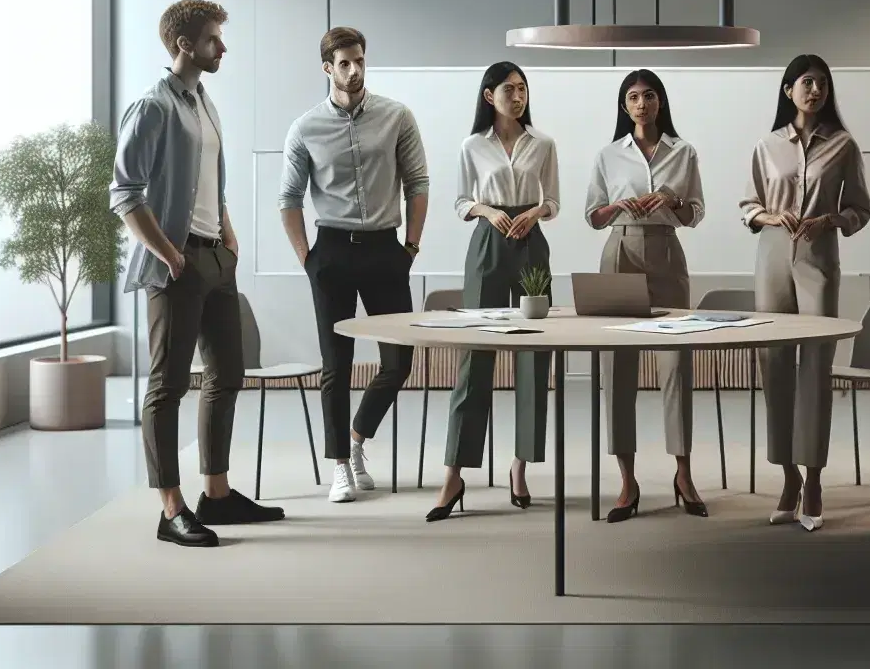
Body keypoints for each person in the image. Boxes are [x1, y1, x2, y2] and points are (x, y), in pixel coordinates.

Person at [111, 0, 283, 548]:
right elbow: (124, 192)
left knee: (226, 374)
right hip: (178, 263)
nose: (222, 48)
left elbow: (212, 180)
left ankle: (218, 494)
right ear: (185, 44)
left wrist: (228, 232)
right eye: (214, 40)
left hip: (216, 257)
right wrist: (168, 253)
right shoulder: (153, 106)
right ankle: (171, 509)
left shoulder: (205, 102)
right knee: (167, 386)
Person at [278, 26, 429, 504]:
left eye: (359, 60)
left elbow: (418, 183)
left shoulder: (396, 116)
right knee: (336, 366)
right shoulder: (305, 128)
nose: (354, 70)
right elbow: (289, 199)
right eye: (344, 63)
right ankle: (339, 466)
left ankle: (358, 439)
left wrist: (411, 246)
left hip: (387, 250)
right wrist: (309, 260)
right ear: (328, 67)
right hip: (332, 253)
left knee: (399, 361)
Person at [740, 55, 870, 533]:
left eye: (821, 83)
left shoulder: (843, 145)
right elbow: (747, 205)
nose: (814, 90)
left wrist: (830, 220)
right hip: (773, 255)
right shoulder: (767, 145)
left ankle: (814, 478)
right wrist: (770, 216)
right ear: (787, 89)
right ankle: (788, 478)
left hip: (818, 254)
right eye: (806, 83)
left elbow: (860, 209)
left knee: (815, 366)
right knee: (773, 363)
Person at [430, 62, 560, 522]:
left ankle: (519, 467)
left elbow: (555, 201)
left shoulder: (542, 143)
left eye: (523, 88)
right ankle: (455, 474)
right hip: (487, 242)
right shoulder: (473, 145)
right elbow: (461, 201)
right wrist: (487, 210)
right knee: (474, 359)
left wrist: (536, 212)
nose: (518, 95)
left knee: (533, 359)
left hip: (531, 243)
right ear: (490, 96)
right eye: (509, 89)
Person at [584, 69, 708, 522]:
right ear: (624, 106)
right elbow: (592, 217)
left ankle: (683, 473)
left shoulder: (684, 151)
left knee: (677, 364)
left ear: (660, 102)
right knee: (617, 366)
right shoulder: (608, 155)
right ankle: (627, 481)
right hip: (620, 250)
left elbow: (695, 214)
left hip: (667, 253)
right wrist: (619, 205)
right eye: (633, 97)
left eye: (649, 96)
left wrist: (670, 202)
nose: (641, 103)